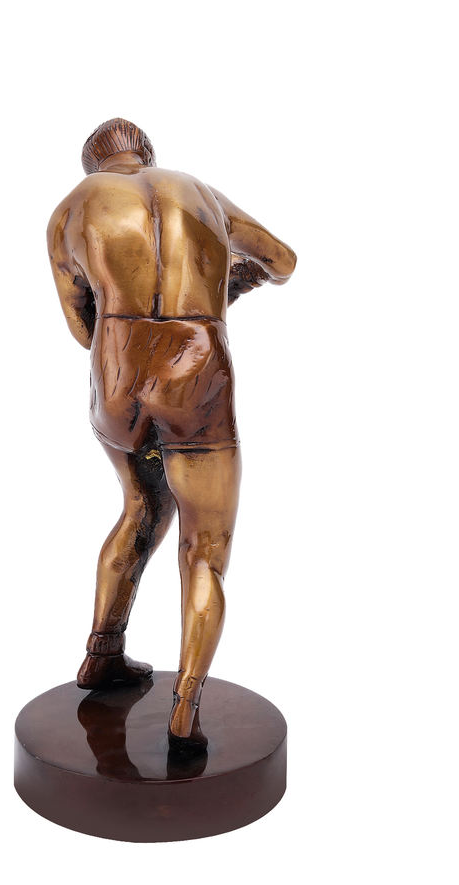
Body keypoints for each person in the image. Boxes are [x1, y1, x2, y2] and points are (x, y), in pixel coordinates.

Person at [47, 118, 296, 747]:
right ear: (147, 154)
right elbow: (283, 261)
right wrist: (218, 293)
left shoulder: (71, 209)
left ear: (95, 164)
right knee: (205, 544)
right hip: (197, 370)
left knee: (141, 508)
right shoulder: (197, 191)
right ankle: (185, 706)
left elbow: (81, 329)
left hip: (120, 378)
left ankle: (103, 651)